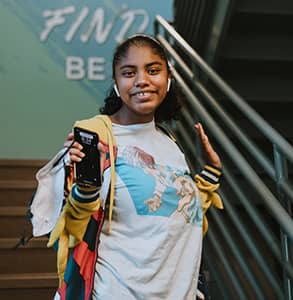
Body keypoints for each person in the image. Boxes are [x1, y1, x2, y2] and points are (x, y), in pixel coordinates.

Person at [30, 34, 223, 300]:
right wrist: (87, 185)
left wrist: (210, 175)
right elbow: (70, 225)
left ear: (168, 79)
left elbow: (174, 213)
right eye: (129, 73)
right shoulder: (97, 136)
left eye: (153, 70)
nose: (142, 80)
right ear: (117, 85)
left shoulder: (169, 141)